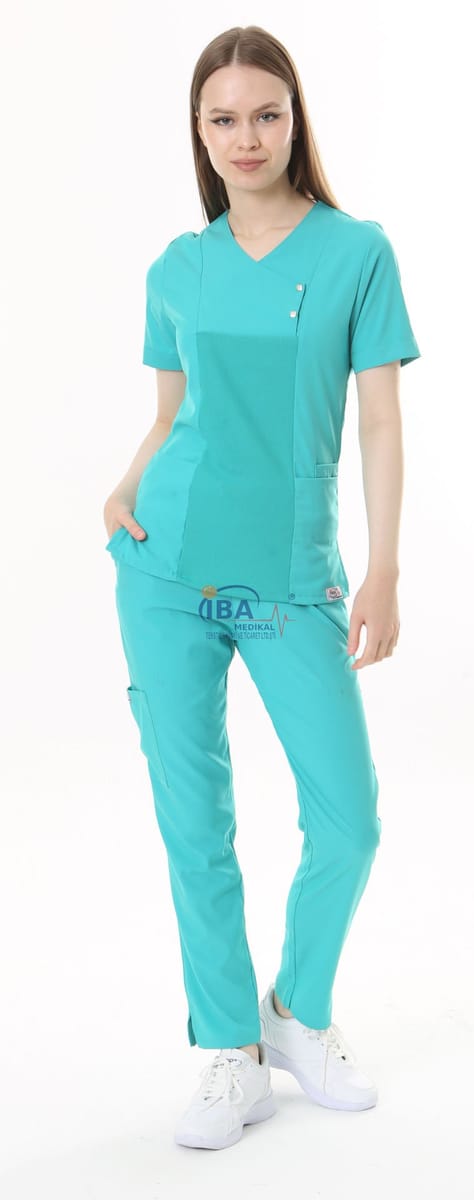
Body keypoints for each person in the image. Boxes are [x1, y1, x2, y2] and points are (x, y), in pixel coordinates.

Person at [103, 24, 421, 1152]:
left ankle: (297, 1012)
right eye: (223, 118)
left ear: (297, 119)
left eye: (266, 113)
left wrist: (383, 564)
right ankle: (230, 1052)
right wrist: (123, 486)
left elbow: (378, 421)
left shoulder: (356, 253)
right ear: (199, 132)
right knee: (196, 823)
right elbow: (168, 417)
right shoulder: (176, 267)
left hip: (291, 580)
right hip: (166, 568)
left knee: (350, 820)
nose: (247, 137)